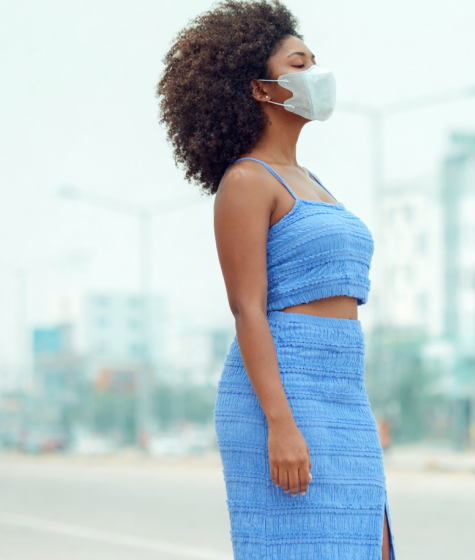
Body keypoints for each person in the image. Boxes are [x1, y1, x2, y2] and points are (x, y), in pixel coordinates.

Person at [156, 2, 394, 558]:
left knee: (370, 545)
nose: (316, 73)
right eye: (299, 63)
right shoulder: (246, 180)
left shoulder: (311, 180)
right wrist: (280, 425)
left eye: (315, 61)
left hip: (342, 393)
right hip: (281, 395)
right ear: (262, 90)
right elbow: (247, 310)